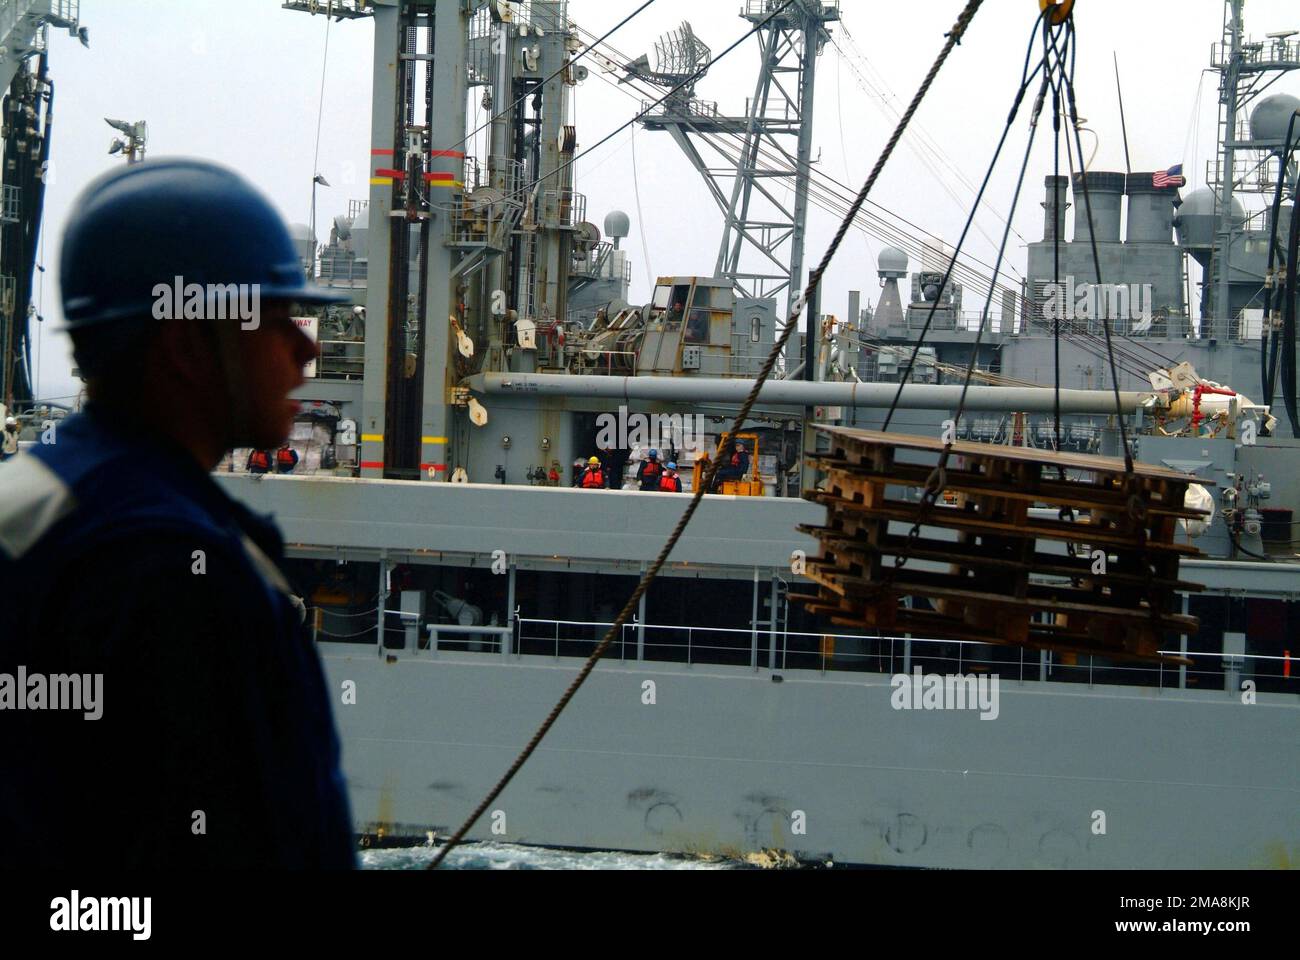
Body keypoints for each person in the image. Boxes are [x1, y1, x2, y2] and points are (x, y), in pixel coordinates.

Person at [0, 158, 355, 869]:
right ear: (189, 345)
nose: (307, 349)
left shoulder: (34, 502)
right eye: (277, 318)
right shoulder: (171, 571)